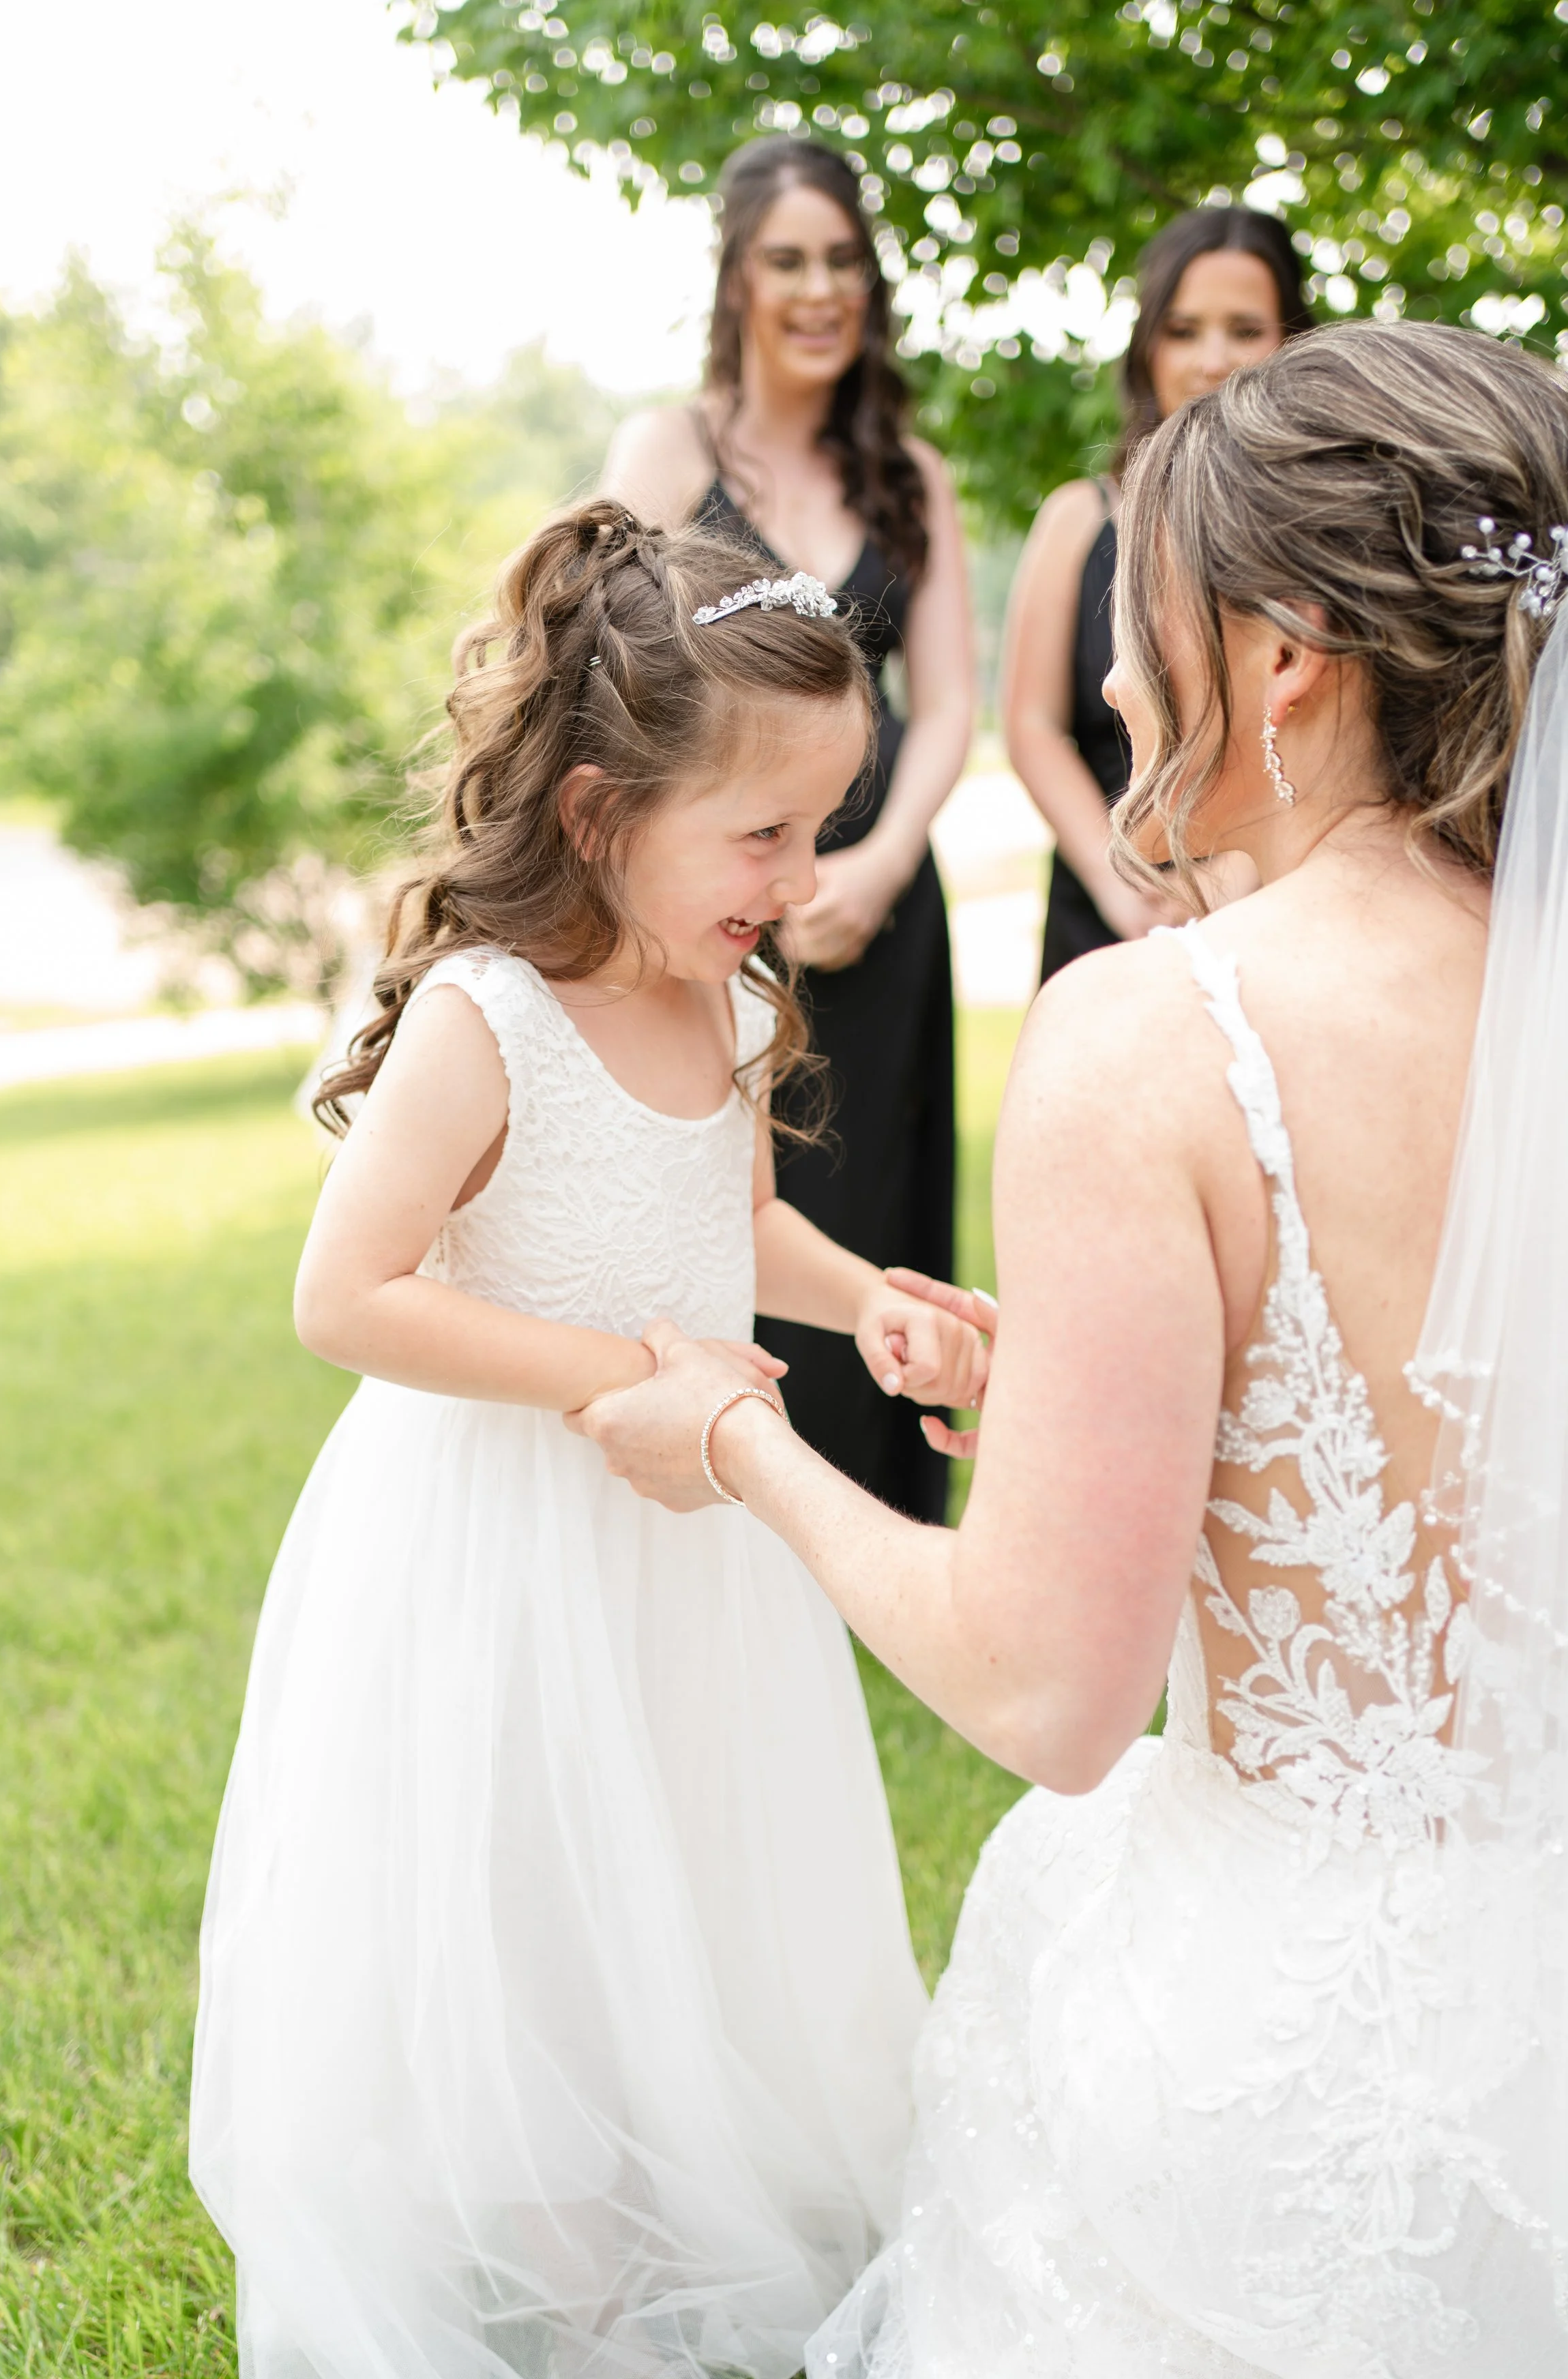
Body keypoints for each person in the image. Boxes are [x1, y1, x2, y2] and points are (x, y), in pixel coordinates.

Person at [572, 323, 1568, 2379]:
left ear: (1289, 655)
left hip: (1327, 2118)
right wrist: (1071, 1377)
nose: (1117, 686)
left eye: (1147, 614)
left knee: (1073, 1889)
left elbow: (1050, 1692)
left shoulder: (1158, 1037)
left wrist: (747, 1441)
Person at [188, 502, 990, 2379]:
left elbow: (724, 1223)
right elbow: (345, 1295)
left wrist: (863, 1294)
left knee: (685, 1879)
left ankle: (688, 2211)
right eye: (761, 836)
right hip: (500, 1548)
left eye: (821, 830)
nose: (800, 883)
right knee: (538, 1916)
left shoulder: (715, 996)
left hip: (684, 1544)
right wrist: (624, 1379)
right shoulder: (489, 1016)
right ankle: (587, 2322)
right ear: (597, 805)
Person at [603, 136, 974, 1524]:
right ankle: (716, 1476)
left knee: (871, 1176)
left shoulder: (910, 476)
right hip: (706, 898)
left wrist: (875, 865)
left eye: (842, 261)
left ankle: (876, 1510)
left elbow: (944, 708)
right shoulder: (663, 451)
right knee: (721, 1184)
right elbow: (605, 671)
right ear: (736, 278)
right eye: (787, 260)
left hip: (878, 898)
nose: (819, 289)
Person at [1003, 205, 1311, 984]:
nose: (1213, 359)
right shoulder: (1079, 518)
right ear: (1147, 348)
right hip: (1110, 903)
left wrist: (1238, 881)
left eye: (1244, 329)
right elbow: (1031, 725)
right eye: (1183, 330)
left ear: (1291, 338)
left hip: (1283, 903)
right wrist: (1123, 883)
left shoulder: (1323, 527)